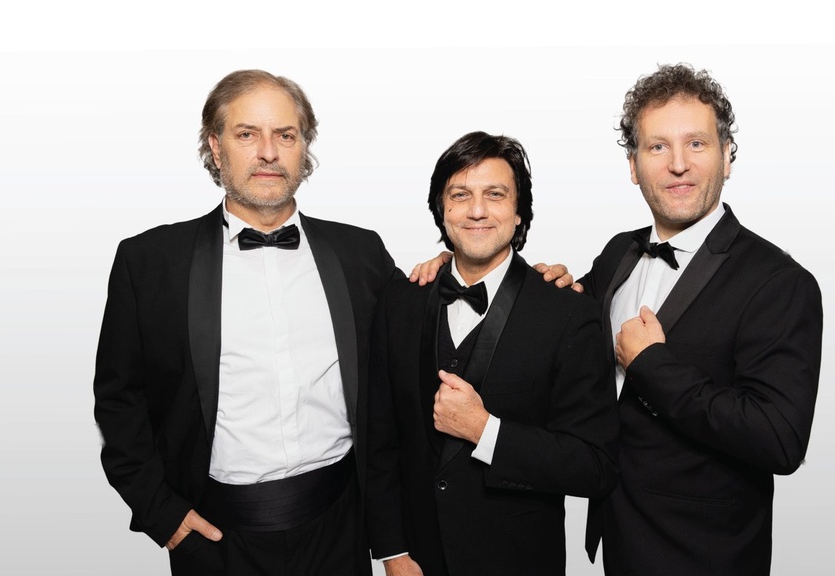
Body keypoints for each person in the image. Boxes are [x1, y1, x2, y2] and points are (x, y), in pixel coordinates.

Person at [93, 69, 572, 576]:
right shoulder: (150, 262)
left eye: (286, 135)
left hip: (341, 530)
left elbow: (433, 320)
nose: (269, 153)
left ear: (305, 147)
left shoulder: (359, 253)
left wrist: (535, 283)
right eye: (247, 134)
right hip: (215, 539)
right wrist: (160, 512)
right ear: (215, 145)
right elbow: (119, 401)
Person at [579, 63, 824, 575]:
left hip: (708, 557)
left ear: (728, 156)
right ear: (633, 165)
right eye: (657, 147)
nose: (678, 165)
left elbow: (779, 439)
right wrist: (464, 260)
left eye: (696, 143)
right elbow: (558, 324)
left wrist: (652, 365)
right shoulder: (618, 254)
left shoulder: (779, 282)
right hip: (620, 545)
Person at [366, 131, 619, 576]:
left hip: (519, 561)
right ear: (442, 210)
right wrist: (392, 551)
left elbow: (593, 466)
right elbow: (379, 440)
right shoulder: (399, 301)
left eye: (495, 195)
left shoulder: (569, 311)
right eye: (460, 195)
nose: (477, 210)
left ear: (519, 212)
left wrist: (486, 431)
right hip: (417, 561)